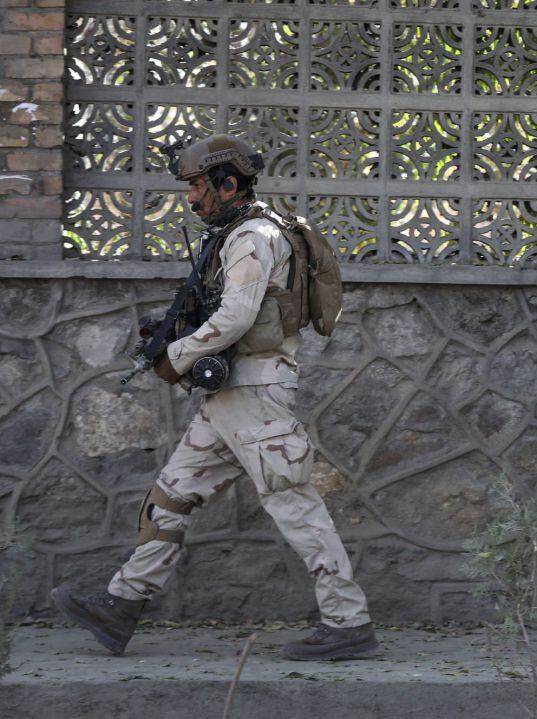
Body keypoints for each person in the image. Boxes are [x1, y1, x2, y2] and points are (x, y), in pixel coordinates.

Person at [51, 134, 377, 661]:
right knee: (171, 497)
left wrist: (174, 356)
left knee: (296, 506)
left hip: (254, 397)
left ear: (228, 183)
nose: (191, 198)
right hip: (231, 395)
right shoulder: (240, 232)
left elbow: (237, 317)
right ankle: (122, 606)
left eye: (198, 186)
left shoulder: (251, 237)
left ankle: (348, 623)